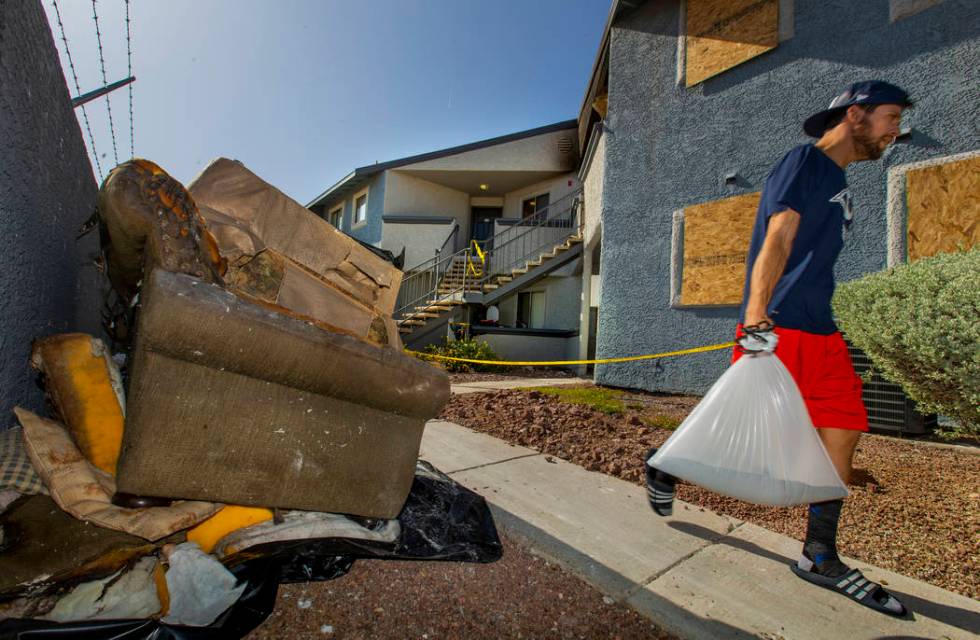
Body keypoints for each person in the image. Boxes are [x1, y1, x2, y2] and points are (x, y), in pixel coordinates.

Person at [646, 81, 912, 617]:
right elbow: (779, 235)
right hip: (781, 325)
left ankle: (818, 553)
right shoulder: (804, 163)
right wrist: (754, 315)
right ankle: (666, 466)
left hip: (822, 329)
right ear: (855, 114)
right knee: (748, 429)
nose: (895, 130)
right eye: (889, 117)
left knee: (846, 425)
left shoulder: (837, 179)